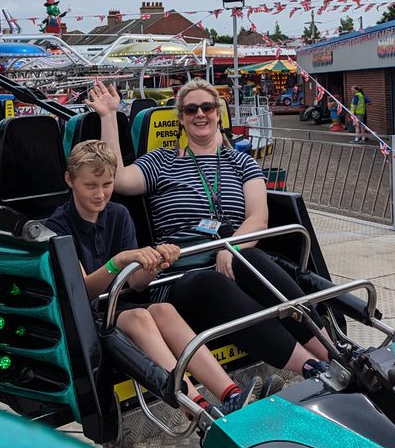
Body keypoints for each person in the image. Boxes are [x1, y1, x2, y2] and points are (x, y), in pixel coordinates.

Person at [89, 77, 335, 383]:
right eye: (191, 109)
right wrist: (109, 115)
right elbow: (118, 178)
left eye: (207, 107)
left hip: (233, 257)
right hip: (181, 273)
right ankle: (310, 366)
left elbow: (258, 218)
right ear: (180, 118)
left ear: (218, 113)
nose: (200, 114)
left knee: (257, 260)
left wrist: (229, 249)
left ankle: (332, 350)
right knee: (206, 281)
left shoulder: (241, 162)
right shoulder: (162, 161)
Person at [44, 140, 259, 416]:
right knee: (140, 317)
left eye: (107, 185)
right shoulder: (57, 228)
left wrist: (154, 263)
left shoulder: (119, 215)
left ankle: (231, 393)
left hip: (120, 304)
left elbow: (136, 284)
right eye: (91, 186)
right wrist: (117, 262)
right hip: (86, 317)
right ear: (70, 180)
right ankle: (196, 406)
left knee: (164, 310)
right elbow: (83, 291)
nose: (100, 195)